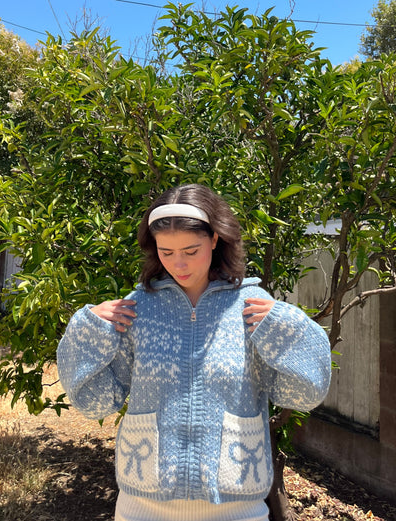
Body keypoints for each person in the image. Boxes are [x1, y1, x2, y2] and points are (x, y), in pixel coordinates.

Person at [57, 184, 331, 521]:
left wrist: (293, 329)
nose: (179, 264)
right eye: (166, 252)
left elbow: (305, 394)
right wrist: (83, 334)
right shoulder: (137, 309)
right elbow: (95, 403)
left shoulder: (251, 309)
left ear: (215, 239)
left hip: (238, 510)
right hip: (142, 509)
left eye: (191, 249)